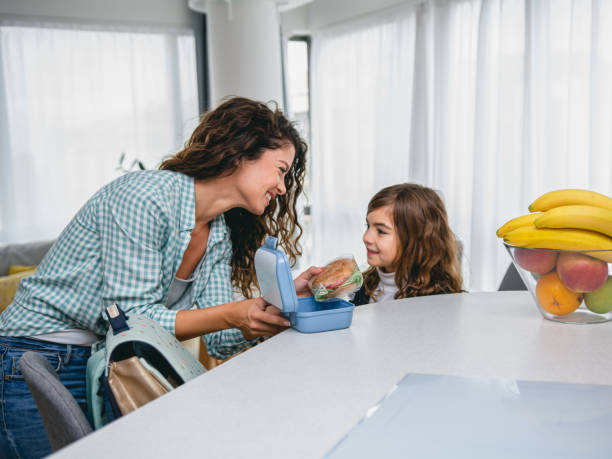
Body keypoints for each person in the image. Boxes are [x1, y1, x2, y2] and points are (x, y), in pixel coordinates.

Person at [0, 96, 320, 458]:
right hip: (35, 352)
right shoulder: (145, 197)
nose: (282, 187)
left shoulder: (216, 233)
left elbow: (221, 338)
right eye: (280, 169)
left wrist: (277, 302)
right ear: (240, 153)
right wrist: (236, 313)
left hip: (94, 357)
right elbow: (128, 319)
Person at [352, 183, 463, 306]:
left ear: (415, 240)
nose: (366, 238)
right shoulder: (365, 285)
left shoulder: (436, 301)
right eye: (368, 226)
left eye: (381, 231)